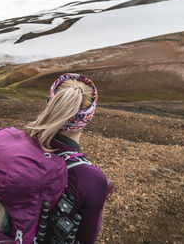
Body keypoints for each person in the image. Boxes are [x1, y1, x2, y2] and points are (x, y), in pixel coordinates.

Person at [25, 73, 110, 244]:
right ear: (88, 117)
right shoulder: (91, 179)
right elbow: (87, 239)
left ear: (51, 104)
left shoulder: (20, 149)